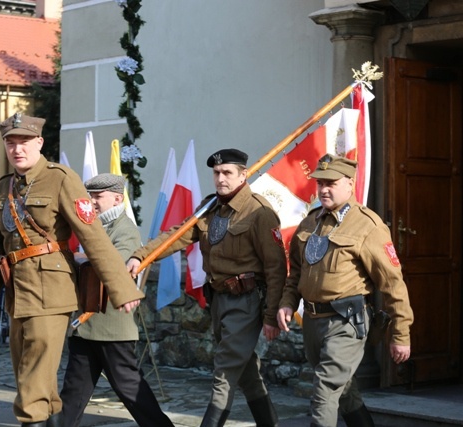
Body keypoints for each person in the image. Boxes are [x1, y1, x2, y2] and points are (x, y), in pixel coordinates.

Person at [0, 113, 145, 427]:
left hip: (52, 292)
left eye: (24, 141)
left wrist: (121, 289)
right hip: (17, 294)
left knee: (32, 385)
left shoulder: (62, 178)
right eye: (10, 142)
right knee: (32, 380)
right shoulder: (3, 188)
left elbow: (93, 238)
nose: (17, 149)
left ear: (39, 142)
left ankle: (32, 420)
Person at [126, 148, 286, 427]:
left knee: (224, 371)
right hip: (219, 300)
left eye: (227, 173)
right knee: (246, 371)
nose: (220, 178)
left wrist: (271, 315)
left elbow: (276, 268)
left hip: (247, 301)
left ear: (243, 175)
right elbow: (176, 236)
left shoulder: (260, 213)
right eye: (216, 173)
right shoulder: (210, 207)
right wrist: (141, 255)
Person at [277, 153, 414, 427]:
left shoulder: (368, 225)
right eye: (320, 183)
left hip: (346, 322)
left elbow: (393, 284)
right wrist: (287, 302)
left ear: (350, 183)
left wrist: (401, 334)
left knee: (324, 392)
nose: (324, 189)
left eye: (331, 183)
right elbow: (297, 272)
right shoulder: (310, 222)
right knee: (344, 391)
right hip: (313, 323)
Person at [60, 173, 174, 427]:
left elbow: (115, 265)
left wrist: (78, 258)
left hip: (112, 328)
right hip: (87, 324)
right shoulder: (96, 226)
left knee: (132, 391)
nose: (92, 201)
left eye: (98, 196)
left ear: (116, 198)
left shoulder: (125, 229)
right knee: (73, 393)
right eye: (90, 196)